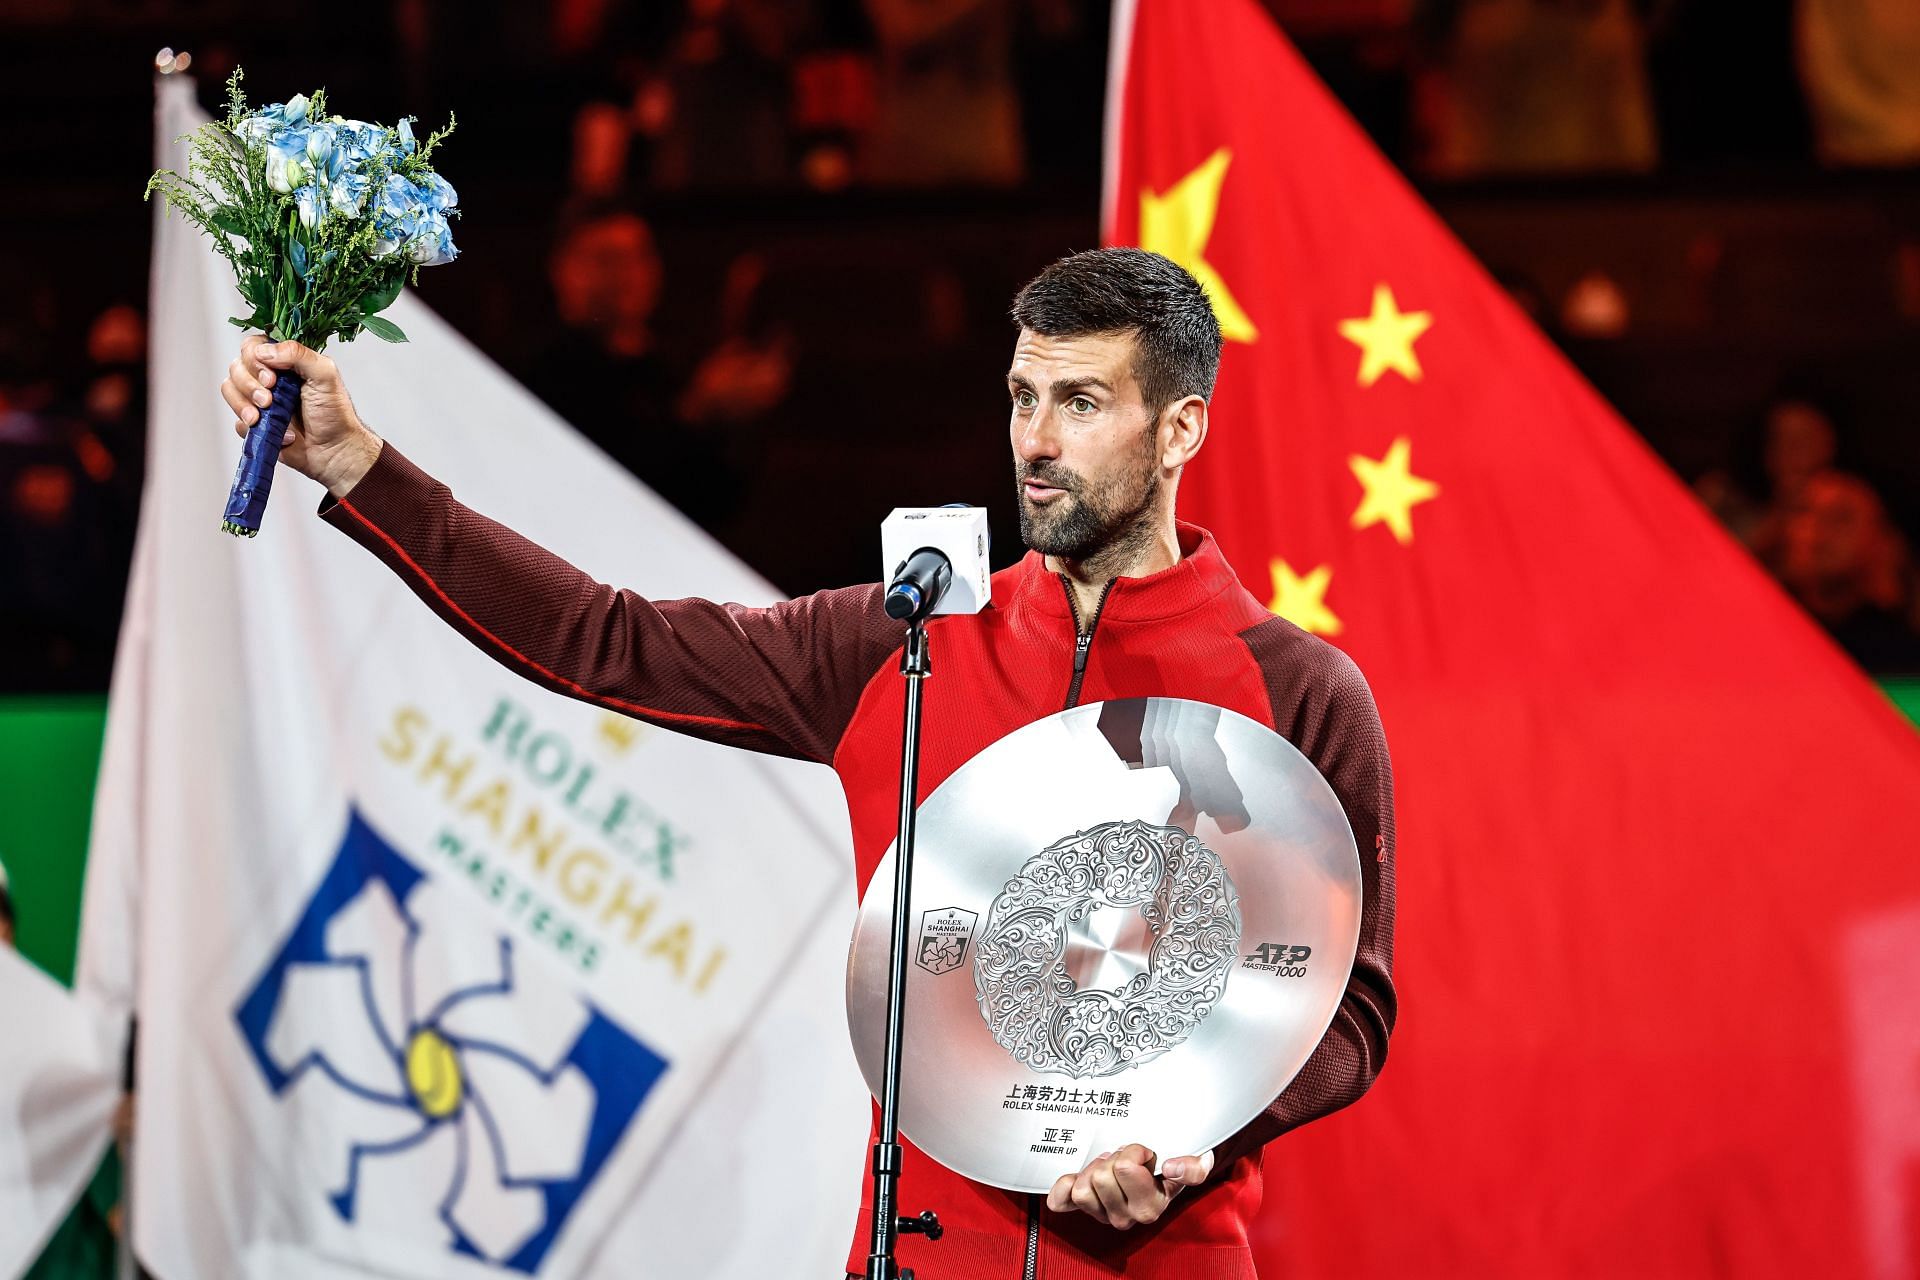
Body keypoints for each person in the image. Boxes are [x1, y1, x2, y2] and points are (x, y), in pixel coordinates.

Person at [217, 247, 1397, 1278]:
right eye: (1022, 396)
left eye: (1082, 402)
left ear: (1180, 425)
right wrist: (366, 467)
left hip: (1166, 1257)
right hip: (918, 1254)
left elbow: (1353, 1006)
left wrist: (1196, 1137)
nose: (1035, 441)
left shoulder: (1296, 688)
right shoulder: (903, 637)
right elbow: (604, 637)